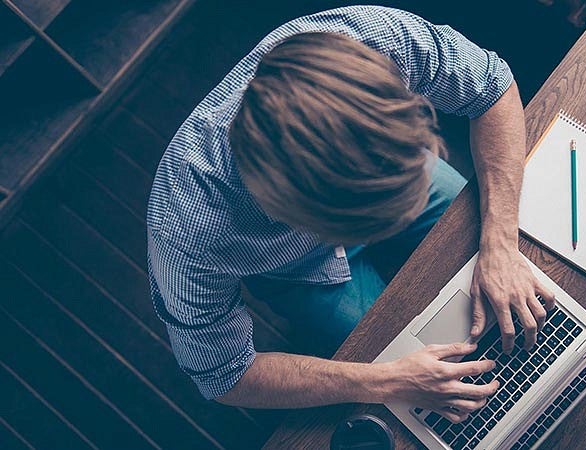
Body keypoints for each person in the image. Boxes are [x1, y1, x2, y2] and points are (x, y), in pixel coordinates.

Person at [147, 5, 555, 423]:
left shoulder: (369, 38)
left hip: (396, 172)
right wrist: (386, 380)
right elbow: (226, 375)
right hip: (298, 269)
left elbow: (492, 88)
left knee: (523, 261)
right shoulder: (186, 235)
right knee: (394, 353)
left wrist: (500, 242)